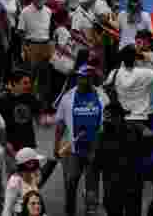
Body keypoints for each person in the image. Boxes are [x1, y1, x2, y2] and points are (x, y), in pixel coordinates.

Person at [53, 64, 106, 216]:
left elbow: (105, 124)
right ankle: (69, 212)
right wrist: (56, 145)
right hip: (73, 150)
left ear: (92, 79)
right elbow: (61, 123)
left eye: (88, 77)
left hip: (94, 149)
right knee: (70, 183)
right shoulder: (68, 97)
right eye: (82, 77)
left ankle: (90, 210)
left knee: (92, 185)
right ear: (78, 78)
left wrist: (100, 148)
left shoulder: (101, 96)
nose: (84, 80)